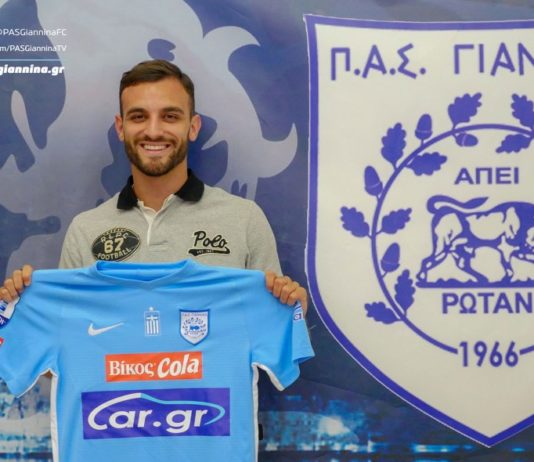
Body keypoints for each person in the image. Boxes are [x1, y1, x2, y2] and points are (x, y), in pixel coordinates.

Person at [0, 59, 307, 312]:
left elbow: (270, 324)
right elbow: (67, 344)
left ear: (193, 127)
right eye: (139, 117)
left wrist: (290, 308)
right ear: (121, 128)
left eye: (170, 116)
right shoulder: (85, 230)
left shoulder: (244, 219)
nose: (154, 131)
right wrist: (21, 308)